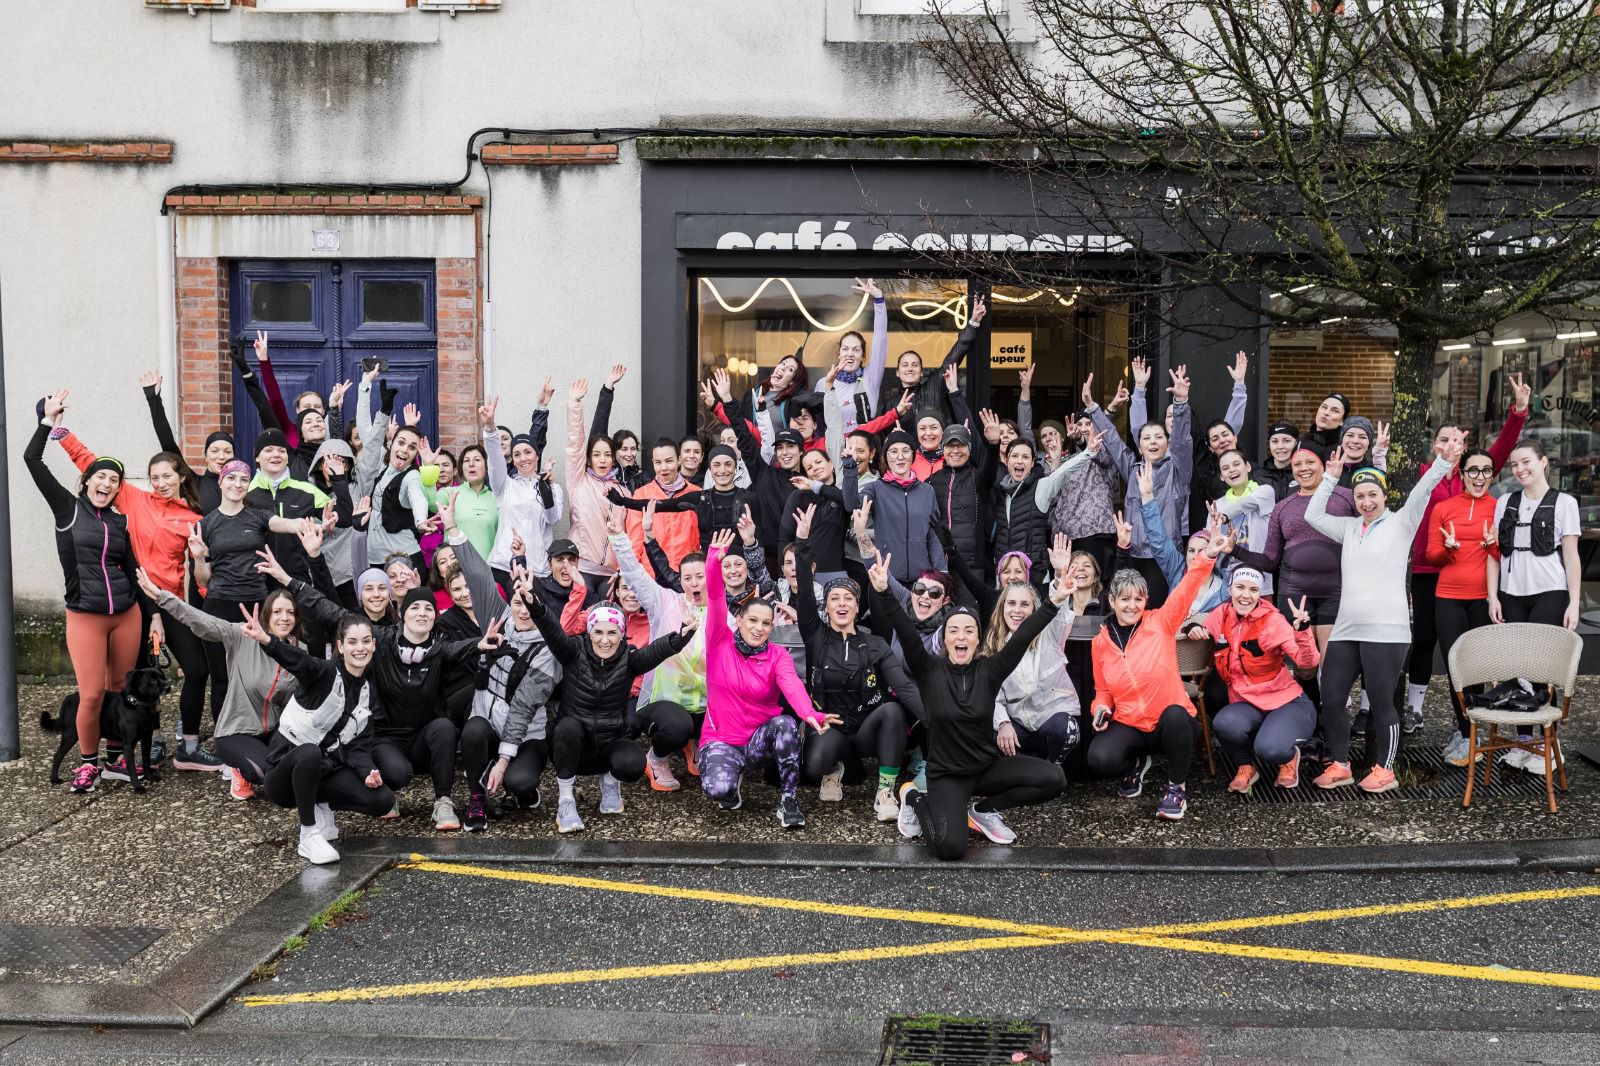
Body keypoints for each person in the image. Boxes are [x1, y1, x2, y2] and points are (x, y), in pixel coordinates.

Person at [876, 548, 1069, 858]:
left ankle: (983, 810)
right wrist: (885, 593)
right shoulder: (929, 670)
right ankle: (913, 798)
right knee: (949, 848)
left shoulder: (990, 670)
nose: (961, 637)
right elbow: (906, 631)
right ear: (945, 638)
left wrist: (1055, 600)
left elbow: (1023, 636)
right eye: (954, 631)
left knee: (1054, 779)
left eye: (969, 631)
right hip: (947, 776)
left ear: (978, 639)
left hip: (985, 768)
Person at [55, 383, 208, 770]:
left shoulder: (193, 518)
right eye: (154, 476)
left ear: (180, 476)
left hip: (170, 602)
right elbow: (92, 466)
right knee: (135, 680)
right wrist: (60, 430)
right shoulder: (133, 499)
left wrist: (203, 582)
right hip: (134, 603)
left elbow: (202, 569)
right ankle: (148, 742)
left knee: (197, 669)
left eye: (167, 475)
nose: (160, 482)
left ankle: (189, 745)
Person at [1306, 441, 1458, 793]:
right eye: (1360, 496)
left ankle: (1384, 770)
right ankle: (1341, 765)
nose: (1366, 502)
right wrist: (1329, 479)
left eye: (1372, 494)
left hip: (1386, 631)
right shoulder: (1348, 528)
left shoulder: (1402, 522)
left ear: (1384, 495)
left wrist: (1441, 462)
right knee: (1331, 696)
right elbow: (1313, 516)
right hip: (1346, 629)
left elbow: (1422, 492)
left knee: (1380, 701)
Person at [519, 567, 695, 833]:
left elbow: (656, 651)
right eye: (598, 632)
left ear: (621, 634)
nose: (605, 640)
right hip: (574, 746)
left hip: (609, 741)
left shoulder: (628, 658)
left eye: (612, 633)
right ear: (589, 632)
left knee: (633, 764)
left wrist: (681, 637)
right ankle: (566, 800)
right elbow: (551, 629)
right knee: (565, 727)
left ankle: (610, 782)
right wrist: (534, 602)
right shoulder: (572, 651)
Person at [27, 391, 142, 793]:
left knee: (121, 692)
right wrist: (47, 422)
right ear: (88, 480)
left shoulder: (120, 521)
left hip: (127, 614)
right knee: (92, 696)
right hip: (85, 616)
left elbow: (132, 570)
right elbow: (32, 460)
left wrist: (154, 618)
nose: (107, 483)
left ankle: (115, 760)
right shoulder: (67, 508)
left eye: (114, 480)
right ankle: (88, 764)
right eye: (101, 476)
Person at [1403, 374, 1531, 732]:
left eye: (1456, 439)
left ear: (1465, 445)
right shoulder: (1422, 473)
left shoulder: (1473, 477)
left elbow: (1500, 451)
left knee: (1466, 650)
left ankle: (1469, 722)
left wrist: (1518, 412)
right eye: (1443, 439)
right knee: (1423, 639)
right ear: (1433, 445)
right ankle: (1414, 708)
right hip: (1427, 569)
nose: (1449, 445)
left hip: (1468, 576)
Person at [1085, 528, 1227, 820]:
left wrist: (1208, 555)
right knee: (1099, 759)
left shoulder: (1161, 622)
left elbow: (1188, 587)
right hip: (1132, 724)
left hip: (1171, 725)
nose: (1132, 606)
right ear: (1112, 601)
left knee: (1175, 714)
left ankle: (1176, 788)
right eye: (1125, 599)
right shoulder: (1100, 642)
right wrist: (1099, 708)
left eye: (1138, 599)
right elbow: (1103, 691)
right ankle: (1137, 764)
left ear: (1146, 600)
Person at [791, 508, 921, 821]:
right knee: (814, 765)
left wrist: (940, 721)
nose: (841, 603)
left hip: (866, 729)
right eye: (835, 598)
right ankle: (834, 768)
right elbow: (805, 588)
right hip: (830, 726)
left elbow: (904, 688)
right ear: (826, 606)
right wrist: (802, 542)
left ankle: (885, 791)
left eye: (848, 598)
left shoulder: (874, 643)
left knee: (893, 710)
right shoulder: (815, 635)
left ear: (856, 606)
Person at [242, 608, 396, 865]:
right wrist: (266, 640)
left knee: (383, 800)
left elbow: (358, 746)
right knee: (309, 752)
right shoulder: (323, 673)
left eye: (366, 641)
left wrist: (368, 771)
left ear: (373, 645)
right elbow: (298, 660)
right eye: (352, 642)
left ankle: (321, 804)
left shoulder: (367, 691)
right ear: (340, 646)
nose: (360, 648)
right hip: (284, 776)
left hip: (324, 771)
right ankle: (309, 833)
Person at [442, 503, 562, 831]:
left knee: (520, 783)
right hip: (489, 721)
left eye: (530, 605)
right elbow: (478, 575)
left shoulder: (548, 648)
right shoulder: (500, 619)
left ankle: (519, 787)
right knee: (473, 730)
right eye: (518, 602)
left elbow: (523, 708)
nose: (523, 611)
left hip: (526, 733)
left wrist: (503, 763)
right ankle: (477, 797)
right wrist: (452, 528)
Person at [700, 532, 829, 827]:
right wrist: (712, 563)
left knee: (785, 724)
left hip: (758, 740)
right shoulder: (719, 642)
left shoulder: (777, 655)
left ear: (772, 627)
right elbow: (716, 597)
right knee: (718, 789)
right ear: (739, 620)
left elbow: (791, 685)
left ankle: (788, 799)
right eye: (753, 621)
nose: (759, 628)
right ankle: (731, 786)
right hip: (722, 741)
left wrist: (809, 713)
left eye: (766, 623)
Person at [139, 570, 300, 800]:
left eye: (290, 612)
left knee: (295, 769)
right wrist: (162, 597)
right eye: (277, 612)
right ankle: (240, 770)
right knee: (269, 774)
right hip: (237, 731)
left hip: (273, 731)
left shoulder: (297, 654)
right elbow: (202, 620)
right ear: (267, 615)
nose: (284, 618)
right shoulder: (242, 635)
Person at [1487, 438, 1583, 775]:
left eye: (1526, 461)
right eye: (1514, 464)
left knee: (1542, 670)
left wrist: (1574, 602)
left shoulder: (1564, 503)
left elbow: (1571, 557)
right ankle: (1523, 742)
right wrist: (1493, 596)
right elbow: (1494, 553)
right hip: (1511, 592)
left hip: (1549, 591)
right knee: (1517, 670)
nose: (1519, 469)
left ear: (1543, 462)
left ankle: (1547, 746)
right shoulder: (1505, 502)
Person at [1188, 572, 1321, 792]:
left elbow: (1307, 663)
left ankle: (1289, 758)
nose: (1246, 595)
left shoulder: (1273, 621)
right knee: (1224, 723)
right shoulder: (1222, 613)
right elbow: (1202, 626)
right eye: (1240, 587)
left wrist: (1302, 631)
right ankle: (1246, 767)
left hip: (1287, 704)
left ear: (1260, 594)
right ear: (1229, 589)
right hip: (1248, 704)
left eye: (1253, 590)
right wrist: (1192, 627)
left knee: (1269, 749)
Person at [1230, 443, 1353, 662]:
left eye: (1310, 462)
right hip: (1294, 594)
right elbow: (1270, 561)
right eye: (1297, 464)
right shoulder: (1283, 507)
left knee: (1331, 663)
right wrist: (1234, 549)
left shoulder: (1346, 498)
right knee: (1303, 666)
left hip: (1336, 592)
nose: (1303, 468)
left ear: (1324, 465)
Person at [1084, 368, 1193, 606]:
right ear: (1140, 446)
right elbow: (1112, 441)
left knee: (1157, 613)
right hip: (1133, 554)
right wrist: (1092, 408)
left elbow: (1183, 441)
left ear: (1167, 443)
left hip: (1163, 557)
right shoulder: (1133, 470)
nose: (1153, 442)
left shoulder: (1178, 471)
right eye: (1146, 438)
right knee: (1130, 612)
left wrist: (1180, 404)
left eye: (1159, 437)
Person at [1426, 448, 1502, 767]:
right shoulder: (1443, 508)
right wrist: (1448, 549)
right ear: (1462, 473)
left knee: (1478, 669)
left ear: (1492, 475)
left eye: (1486, 471)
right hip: (1448, 597)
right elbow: (1431, 556)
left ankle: (1472, 733)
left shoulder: (1499, 508)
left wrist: (1493, 546)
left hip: (1483, 598)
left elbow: (1507, 557)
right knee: (1455, 667)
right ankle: (1463, 730)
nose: (1479, 477)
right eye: (1473, 470)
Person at [990, 534, 1082, 768]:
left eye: (1024, 604)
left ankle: (1053, 769)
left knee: (1066, 729)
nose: (1017, 610)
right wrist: (1003, 723)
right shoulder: (993, 645)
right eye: (1011, 604)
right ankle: (1027, 771)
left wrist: (1060, 575)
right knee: (989, 734)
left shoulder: (1049, 632)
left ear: (1034, 609)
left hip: (1051, 720)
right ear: (1002, 608)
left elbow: (1058, 609)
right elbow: (992, 696)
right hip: (1019, 726)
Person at [841, 430, 945, 584]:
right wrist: (850, 469)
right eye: (893, 451)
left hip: (922, 581)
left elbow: (934, 535)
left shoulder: (927, 491)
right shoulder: (875, 488)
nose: (900, 457)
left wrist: (941, 572)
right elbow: (851, 505)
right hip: (886, 578)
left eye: (905, 451)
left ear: (913, 455)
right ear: (886, 457)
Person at [481, 396, 563, 587]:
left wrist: (545, 491)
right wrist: (490, 427)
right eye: (517, 454)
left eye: (527, 452)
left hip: (537, 568)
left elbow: (552, 519)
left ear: (536, 455)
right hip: (503, 565)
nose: (523, 458)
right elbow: (494, 458)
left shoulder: (553, 487)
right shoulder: (505, 485)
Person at [876, 294, 986, 426]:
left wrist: (973, 323)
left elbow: (954, 357)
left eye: (915, 365)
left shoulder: (934, 386)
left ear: (921, 372)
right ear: (897, 372)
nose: (910, 368)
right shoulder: (890, 404)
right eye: (905, 365)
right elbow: (881, 431)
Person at [565, 378, 624, 591]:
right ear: (588, 459)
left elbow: (628, 535)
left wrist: (623, 569)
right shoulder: (579, 481)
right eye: (597, 454)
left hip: (611, 573)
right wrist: (575, 404)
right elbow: (575, 445)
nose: (602, 459)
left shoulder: (624, 493)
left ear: (613, 459)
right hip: (583, 566)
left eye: (607, 454)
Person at [1213, 449, 1276, 596]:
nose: (1232, 470)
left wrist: (1224, 516)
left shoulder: (1265, 492)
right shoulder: (1217, 505)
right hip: (1227, 583)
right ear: (1221, 476)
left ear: (1247, 467)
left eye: (1236, 464)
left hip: (1260, 581)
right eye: (1225, 468)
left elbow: (1243, 504)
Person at [1258, 421, 1300, 504]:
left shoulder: (1303, 474)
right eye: (1275, 441)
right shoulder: (1258, 477)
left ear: (1296, 443)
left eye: (1286, 441)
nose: (1280, 446)